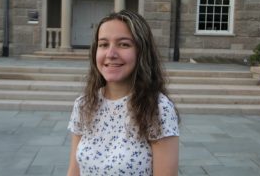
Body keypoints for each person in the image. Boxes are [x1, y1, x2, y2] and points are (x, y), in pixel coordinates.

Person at [67, 10, 180, 176]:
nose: (111, 54)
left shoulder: (158, 109)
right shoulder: (84, 104)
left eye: (124, 44)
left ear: (141, 51)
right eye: (103, 44)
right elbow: (74, 171)